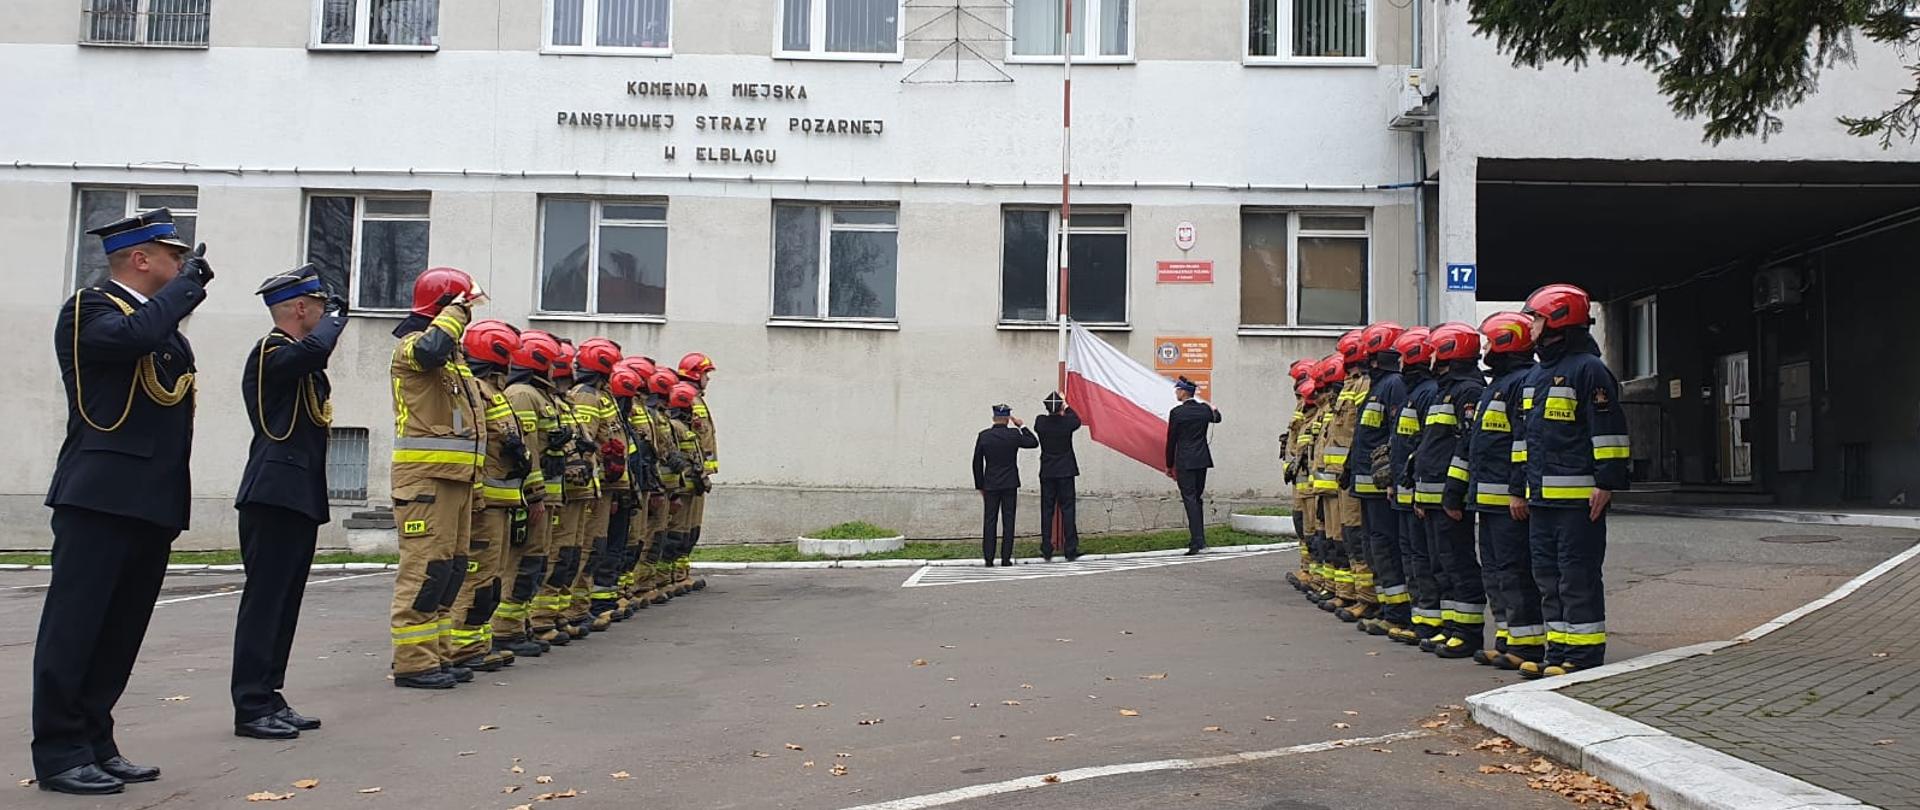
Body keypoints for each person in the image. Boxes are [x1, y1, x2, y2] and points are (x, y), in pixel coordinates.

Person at [34, 209, 211, 795]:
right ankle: (60, 752)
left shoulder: (162, 327)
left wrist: (178, 297)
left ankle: (95, 739)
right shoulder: (91, 308)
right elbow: (133, 339)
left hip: (149, 501)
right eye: (173, 255)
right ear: (140, 258)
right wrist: (187, 290)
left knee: (119, 633)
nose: (182, 265)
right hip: (100, 497)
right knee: (76, 628)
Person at [230, 264, 344, 742]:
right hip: (272, 494)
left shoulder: (299, 357)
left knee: (284, 604)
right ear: (300, 308)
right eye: (319, 306)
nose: (325, 315)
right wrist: (341, 316)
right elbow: (315, 351)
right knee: (265, 602)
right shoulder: (271, 350)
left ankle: (270, 694)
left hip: (296, 495)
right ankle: (251, 705)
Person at [1518, 283, 1627, 679]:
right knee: (1547, 576)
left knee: (1576, 575)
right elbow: (1525, 441)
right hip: (1543, 498)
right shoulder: (1536, 375)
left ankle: (1582, 656)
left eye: (1536, 318)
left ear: (1558, 320)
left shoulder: (1589, 370)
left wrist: (1607, 482)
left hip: (1579, 500)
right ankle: (1558, 650)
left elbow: (1608, 431)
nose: (1529, 325)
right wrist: (1521, 488)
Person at [386, 267, 486, 690]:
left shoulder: (454, 358)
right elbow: (430, 349)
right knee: (425, 571)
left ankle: (436, 654)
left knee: (449, 570)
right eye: (467, 308)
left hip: (455, 479)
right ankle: (413, 662)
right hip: (425, 481)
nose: (470, 319)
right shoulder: (411, 349)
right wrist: (452, 313)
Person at [443, 320, 528, 672]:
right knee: (477, 577)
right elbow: (468, 442)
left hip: (501, 500)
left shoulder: (495, 392)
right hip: (485, 500)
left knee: (490, 578)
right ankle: (462, 645)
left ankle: (477, 641)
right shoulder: (475, 390)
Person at [1463, 312, 1545, 670]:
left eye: (1490, 341)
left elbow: (1521, 443)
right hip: (1489, 499)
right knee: (1495, 571)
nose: (1485, 348)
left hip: (1508, 500)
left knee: (1514, 571)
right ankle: (1508, 638)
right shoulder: (1496, 385)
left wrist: (1518, 490)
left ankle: (1527, 645)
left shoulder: (1520, 382)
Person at [1414, 323, 1488, 659]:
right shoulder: (1444, 391)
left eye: (1434, 349)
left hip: (1448, 496)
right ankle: (1450, 627)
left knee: (1458, 564)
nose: (1428, 355)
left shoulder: (1468, 391)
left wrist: (1454, 492)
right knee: (1441, 565)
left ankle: (1467, 633)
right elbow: (1429, 447)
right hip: (1431, 496)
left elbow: (1466, 445)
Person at [493, 330, 566, 658]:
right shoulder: (523, 394)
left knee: (535, 561)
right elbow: (526, 451)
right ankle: (506, 630)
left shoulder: (540, 395)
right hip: (530, 496)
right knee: (522, 562)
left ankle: (518, 625)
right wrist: (534, 495)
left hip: (544, 495)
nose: (557, 369)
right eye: (552, 363)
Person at [1345, 322, 1411, 637]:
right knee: (1376, 548)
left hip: (1381, 487)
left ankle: (1397, 612)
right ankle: (1387, 608)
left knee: (1386, 548)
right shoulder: (1377, 386)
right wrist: (1349, 466)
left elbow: (1396, 433)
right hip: (1366, 485)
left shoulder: (1394, 384)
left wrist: (1392, 479)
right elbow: (1364, 435)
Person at [1386, 328, 1437, 644]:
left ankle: (1431, 622)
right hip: (1407, 490)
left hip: (1422, 492)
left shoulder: (1427, 393)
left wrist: (1417, 488)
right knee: (1412, 557)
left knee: (1425, 559)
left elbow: (1427, 448)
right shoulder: (1414, 393)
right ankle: (1422, 620)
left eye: (1404, 356)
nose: (1400, 362)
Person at [571, 337, 624, 631]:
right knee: (584, 549)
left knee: (595, 547)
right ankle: (577, 610)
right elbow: (585, 441)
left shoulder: (599, 395)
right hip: (589, 487)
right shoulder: (587, 396)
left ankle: (580, 608)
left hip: (600, 485)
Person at [973, 404, 1038, 566]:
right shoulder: (1014, 435)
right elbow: (1033, 442)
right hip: (1009, 483)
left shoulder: (984, 436)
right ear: (1008, 419)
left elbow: (976, 463)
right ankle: (1006, 558)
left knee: (990, 521)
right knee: (1009, 521)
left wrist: (980, 485)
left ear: (993, 418)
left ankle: (988, 558)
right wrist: (1022, 425)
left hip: (990, 484)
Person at [1165, 376, 1222, 555]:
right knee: (1196, 499)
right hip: (1202, 460)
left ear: (1183, 392)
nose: (1176, 392)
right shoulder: (1204, 410)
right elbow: (1217, 418)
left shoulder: (1177, 413)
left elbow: (1171, 440)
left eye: (1177, 390)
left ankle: (1197, 542)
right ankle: (1200, 539)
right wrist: (1214, 408)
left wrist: (1169, 464)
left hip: (1185, 461)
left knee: (1190, 500)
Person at [1303, 356, 1344, 601]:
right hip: (1324, 485)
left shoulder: (1335, 408)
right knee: (1327, 538)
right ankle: (1332, 586)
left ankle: (1348, 593)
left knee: (1342, 540)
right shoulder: (1328, 410)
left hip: (1339, 484)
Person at [680, 353, 718, 592]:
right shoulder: (686, 399)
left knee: (689, 528)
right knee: (680, 526)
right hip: (689, 474)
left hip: (698, 474)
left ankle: (680, 572)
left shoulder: (695, 398)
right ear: (696, 374)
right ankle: (672, 574)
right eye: (706, 374)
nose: (708, 379)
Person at [1034, 392, 1083, 562]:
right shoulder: (1067, 422)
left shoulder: (1040, 422)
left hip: (1048, 471)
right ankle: (1070, 548)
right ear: (1060, 408)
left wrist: (1060, 405)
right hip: (1066, 471)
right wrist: (1066, 404)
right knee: (1068, 510)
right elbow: (1077, 420)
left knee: (1047, 511)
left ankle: (1047, 547)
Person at [1282, 367, 1318, 592]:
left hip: (1311, 481)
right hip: (1300, 479)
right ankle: (1307, 568)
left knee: (1312, 527)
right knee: (1301, 524)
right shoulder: (1303, 412)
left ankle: (1313, 571)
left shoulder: (1314, 413)